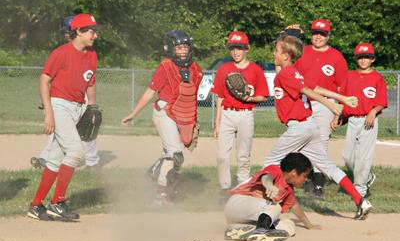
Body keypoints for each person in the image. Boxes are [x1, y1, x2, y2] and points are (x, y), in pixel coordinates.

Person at [263, 34, 372, 220]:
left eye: (277, 51)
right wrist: (343, 98)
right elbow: (316, 88)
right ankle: (361, 201)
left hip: (299, 128)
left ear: (286, 56)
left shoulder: (286, 73)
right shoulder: (295, 72)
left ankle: (266, 205)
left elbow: (307, 90)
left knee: (270, 163)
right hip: (310, 126)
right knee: (327, 166)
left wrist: (331, 105)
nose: (274, 53)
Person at [27, 13, 99, 221]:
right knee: (76, 153)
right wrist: (49, 113)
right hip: (59, 105)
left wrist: (91, 108)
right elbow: (44, 80)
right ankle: (57, 202)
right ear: (79, 31)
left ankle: (35, 205)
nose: (95, 35)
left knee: (55, 160)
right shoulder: (61, 53)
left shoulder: (92, 54)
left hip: (77, 107)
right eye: (91, 31)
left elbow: (91, 81)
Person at [121, 30, 202, 204]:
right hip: (164, 112)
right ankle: (161, 194)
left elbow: (191, 97)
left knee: (170, 154)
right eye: (178, 48)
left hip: (181, 114)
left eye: (185, 47)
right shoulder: (164, 67)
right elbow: (150, 92)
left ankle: (156, 172)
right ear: (170, 49)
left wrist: (192, 119)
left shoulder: (195, 69)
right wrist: (134, 113)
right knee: (175, 154)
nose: (182, 51)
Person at [30, 15, 101, 170]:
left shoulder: (89, 53)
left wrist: (92, 105)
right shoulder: (63, 52)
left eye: (67, 33)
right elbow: (47, 79)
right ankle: (46, 157)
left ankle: (92, 161)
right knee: (60, 130)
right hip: (64, 100)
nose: (66, 36)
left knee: (87, 131)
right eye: (65, 34)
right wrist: (50, 104)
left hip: (81, 98)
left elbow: (90, 80)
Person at [211, 31, 270, 203]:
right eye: (233, 48)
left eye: (239, 48)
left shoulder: (256, 70)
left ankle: (242, 186)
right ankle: (224, 188)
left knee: (243, 155)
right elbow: (220, 98)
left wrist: (248, 98)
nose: (236, 52)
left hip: (246, 114)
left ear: (247, 49)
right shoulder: (224, 69)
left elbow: (264, 96)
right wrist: (217, 123)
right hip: (227, 114)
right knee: (222, 155)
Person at [294, 19, 348, 199]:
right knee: (301, 140)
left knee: (322, 142)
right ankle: (305, 178)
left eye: (322, 34)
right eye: (316, 33)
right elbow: (292, 77)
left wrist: (338, 112)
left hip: (326, 103)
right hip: (304, 101)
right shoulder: (302, 52)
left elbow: (342, 87)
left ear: (328, 36)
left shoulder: (336, 56)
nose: (318, 36)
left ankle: (318, 183)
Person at [224, 152, 320, 241]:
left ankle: (239, 230)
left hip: (244, 218)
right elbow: (266, 177)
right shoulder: (276, 170)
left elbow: (294, 206)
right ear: (294, 173)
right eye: (305, 175)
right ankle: (260, 232)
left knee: (288, 226)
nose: (306, 179)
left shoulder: (289, 189)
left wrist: (309, 225)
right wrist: (269, 185)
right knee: (275, 207)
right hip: (237, 203)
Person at [332, 42, 387, 198]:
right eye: (361, 57)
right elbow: (342, 100)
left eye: (367, 57)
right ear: (356, 59)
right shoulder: (349, 76)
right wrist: (337, 116)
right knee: (348, 156)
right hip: (353, 121)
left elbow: (381, 102)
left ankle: (360, 188)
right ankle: (368, 177)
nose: (364, 60)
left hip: (369, 120)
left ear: (373, 59)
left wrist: (373, 111)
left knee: (364, 155)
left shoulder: (377, 78)